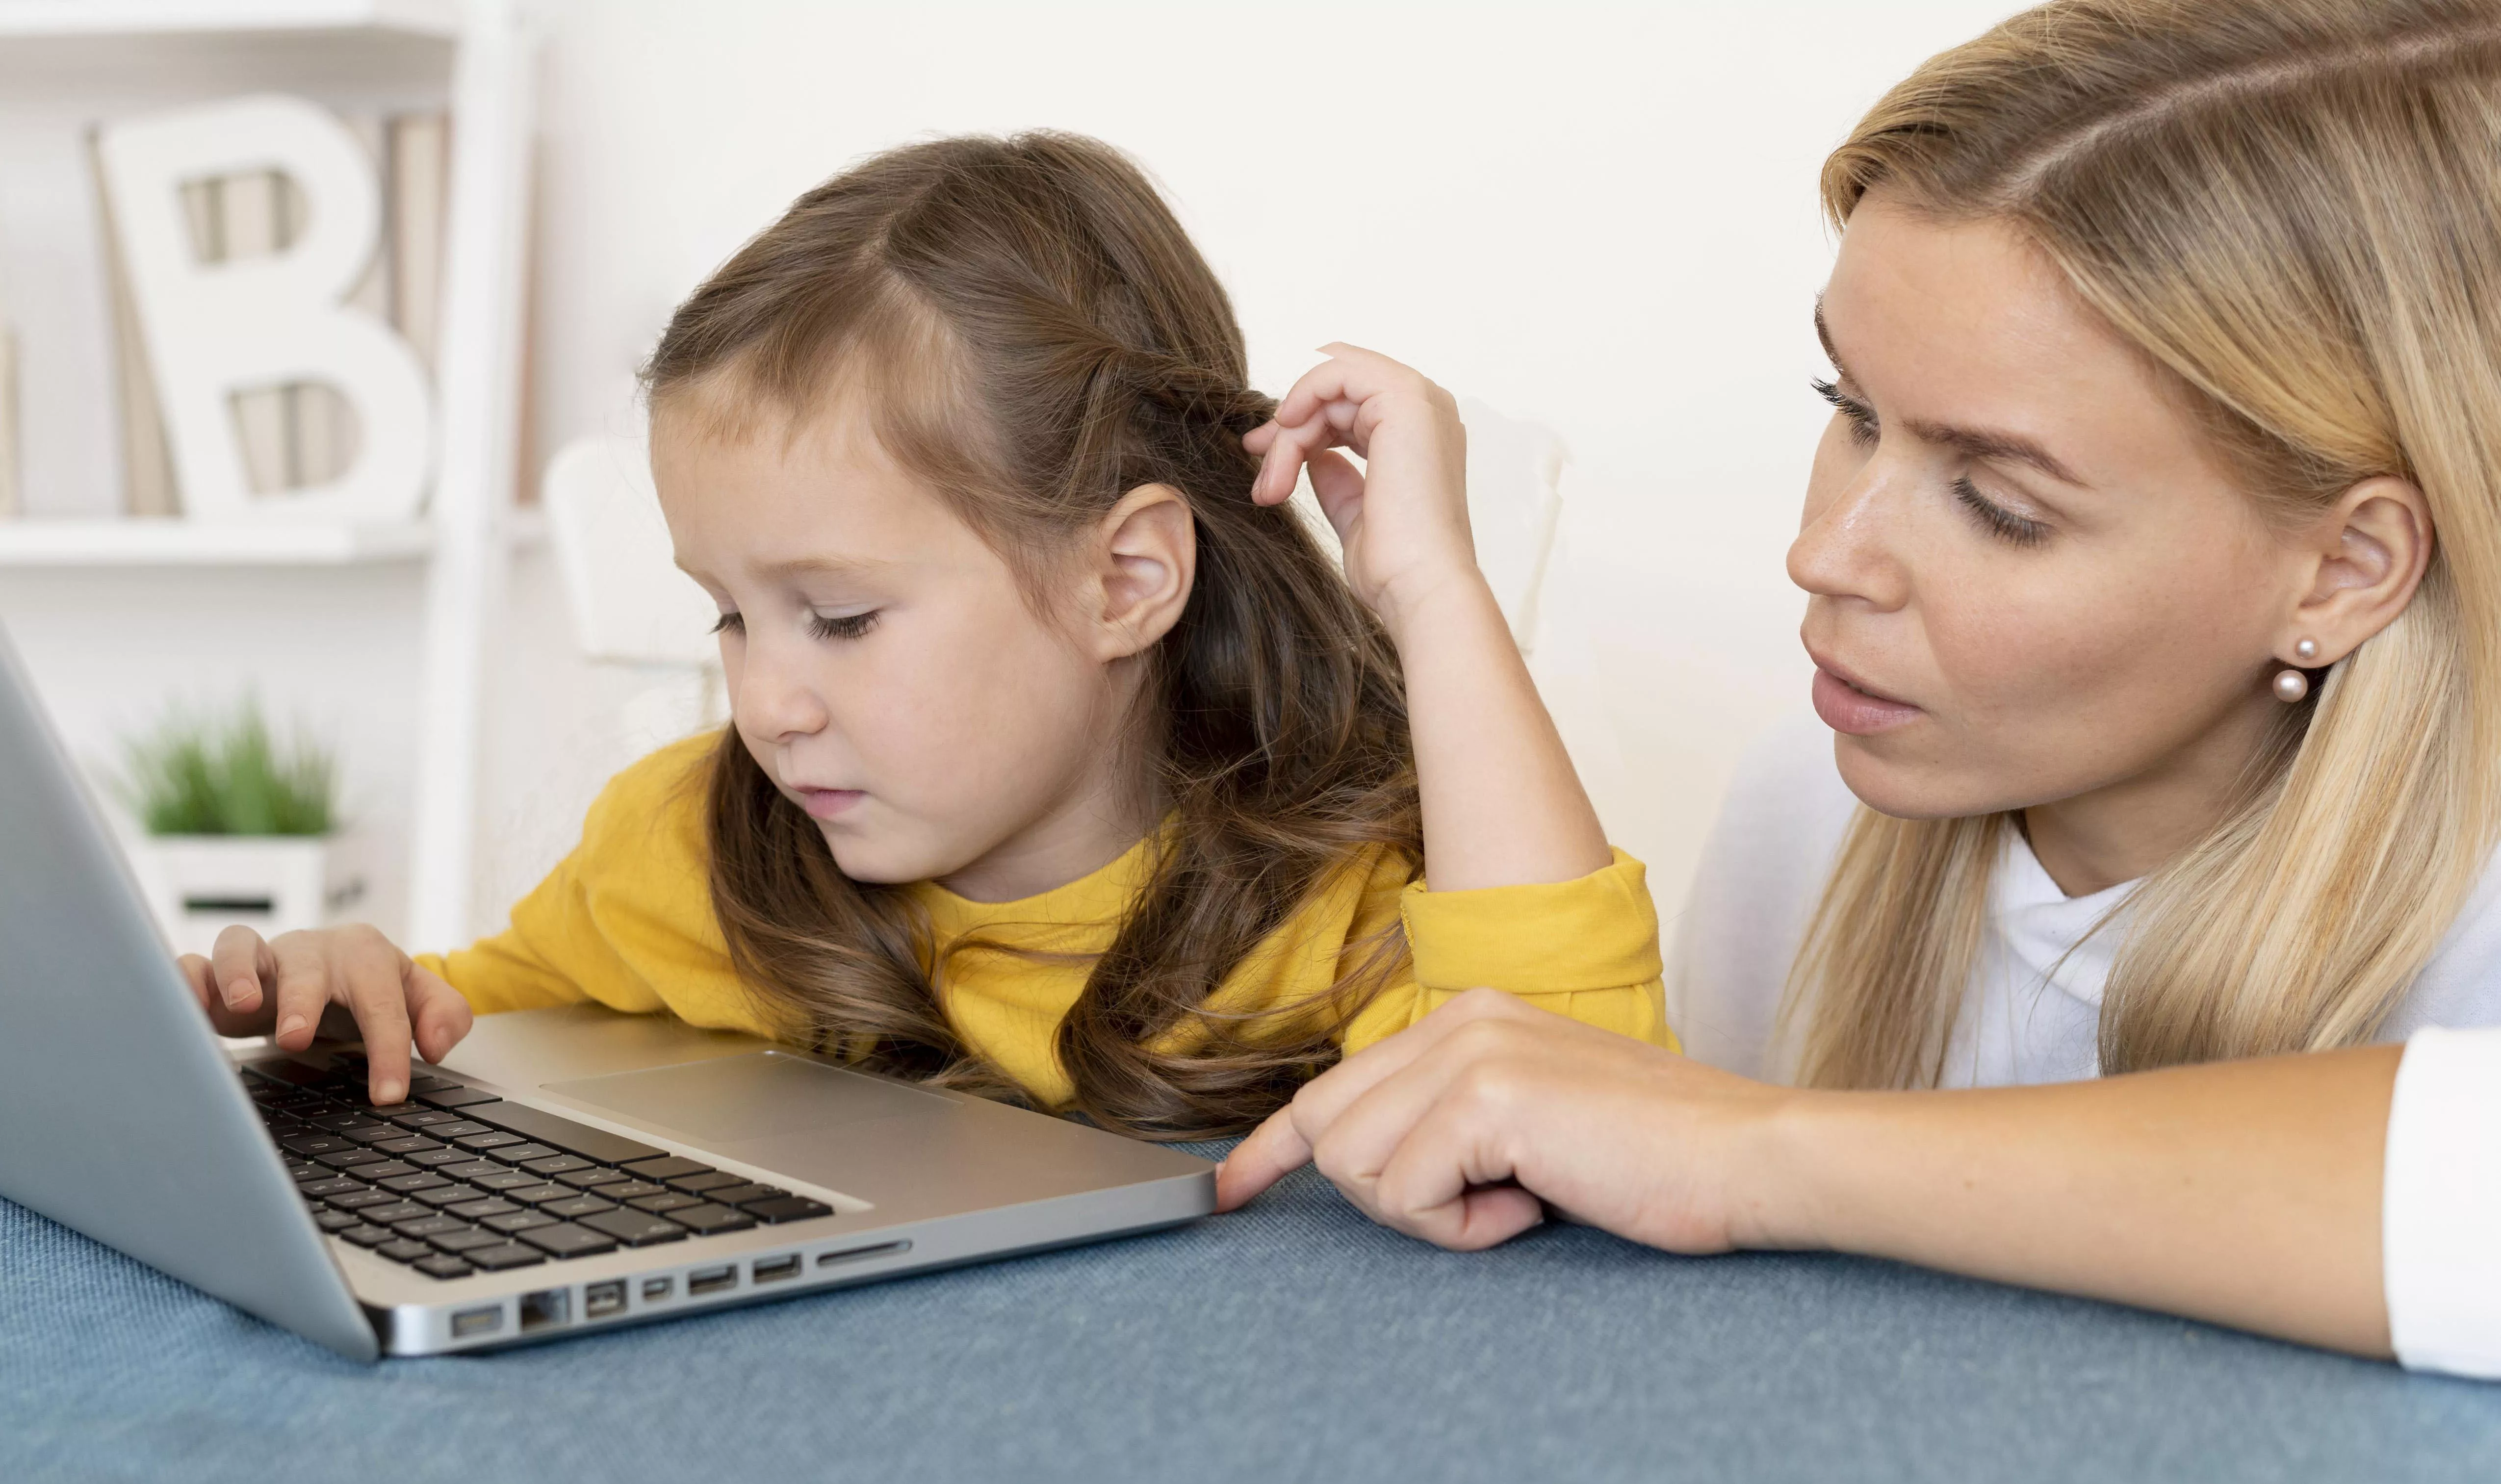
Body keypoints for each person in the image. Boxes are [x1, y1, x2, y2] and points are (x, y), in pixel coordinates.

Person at [1219, 0, 2501, 1377]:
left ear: (2344, 571)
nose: (1823, 555)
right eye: (1851, 411)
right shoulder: (1807, 808)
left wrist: (1735, 1146)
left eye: (2001, 503)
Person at [177, 132, 1668, 1142]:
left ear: (1126, 581)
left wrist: (1434, 591)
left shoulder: (1344, 911)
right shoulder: (695, 852)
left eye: (838, 618)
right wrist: (350, 997)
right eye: (729, 614)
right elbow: (459, 1022)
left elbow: (1578, 1109)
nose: (767, 702)